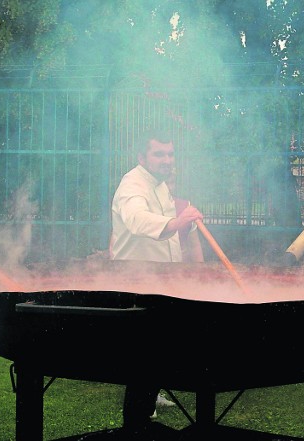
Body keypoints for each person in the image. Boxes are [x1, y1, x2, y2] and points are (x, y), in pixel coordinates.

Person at [110, 129, 203, 434]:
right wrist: (176, 222)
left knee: (153, 359)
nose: (167, 160)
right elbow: (137, 220)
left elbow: (171, 241)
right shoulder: (132, 185)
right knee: (142, 360)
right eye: (159, 154)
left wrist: (185, 272)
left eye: (170, 154)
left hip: (162, 281)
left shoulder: (161, 186)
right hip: (135, 281)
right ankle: (135, 427)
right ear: (142, 157)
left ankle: (142, 422)